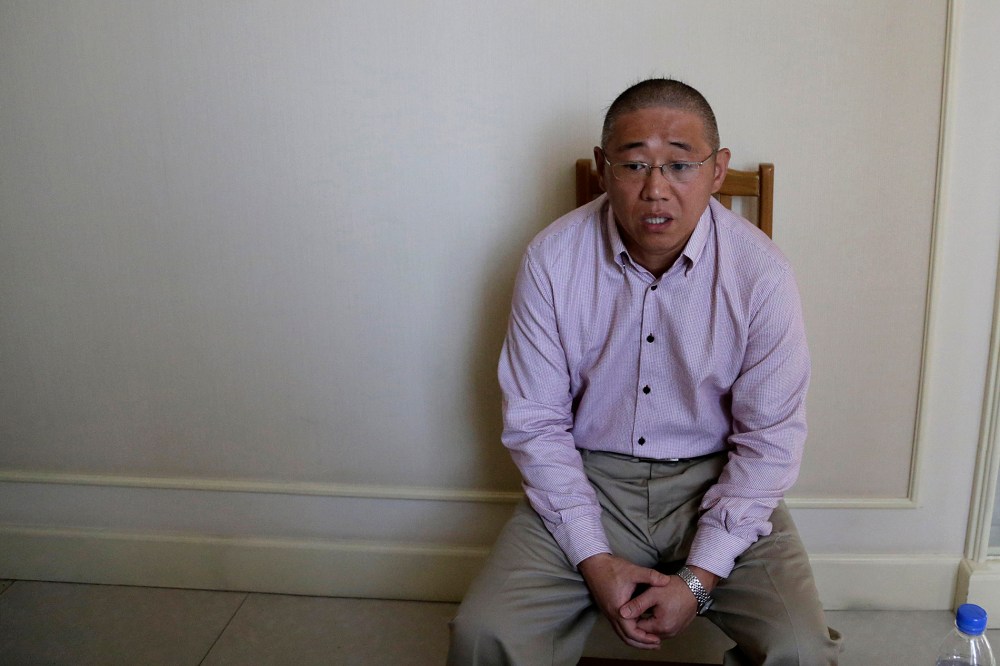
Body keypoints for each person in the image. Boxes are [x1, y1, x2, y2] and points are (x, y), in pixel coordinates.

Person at [448, 78, 843, 665]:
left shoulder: (762, 274)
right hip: (589, 477)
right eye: (634, 165)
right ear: (603, 168)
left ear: (717, 169)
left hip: (717, 480)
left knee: (802, 651)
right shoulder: (552, 260)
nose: (656, 189)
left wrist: (698, 580)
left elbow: (770, 439)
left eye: (680, 165)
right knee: (485, 634)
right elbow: (536, 422)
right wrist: (593, 557)